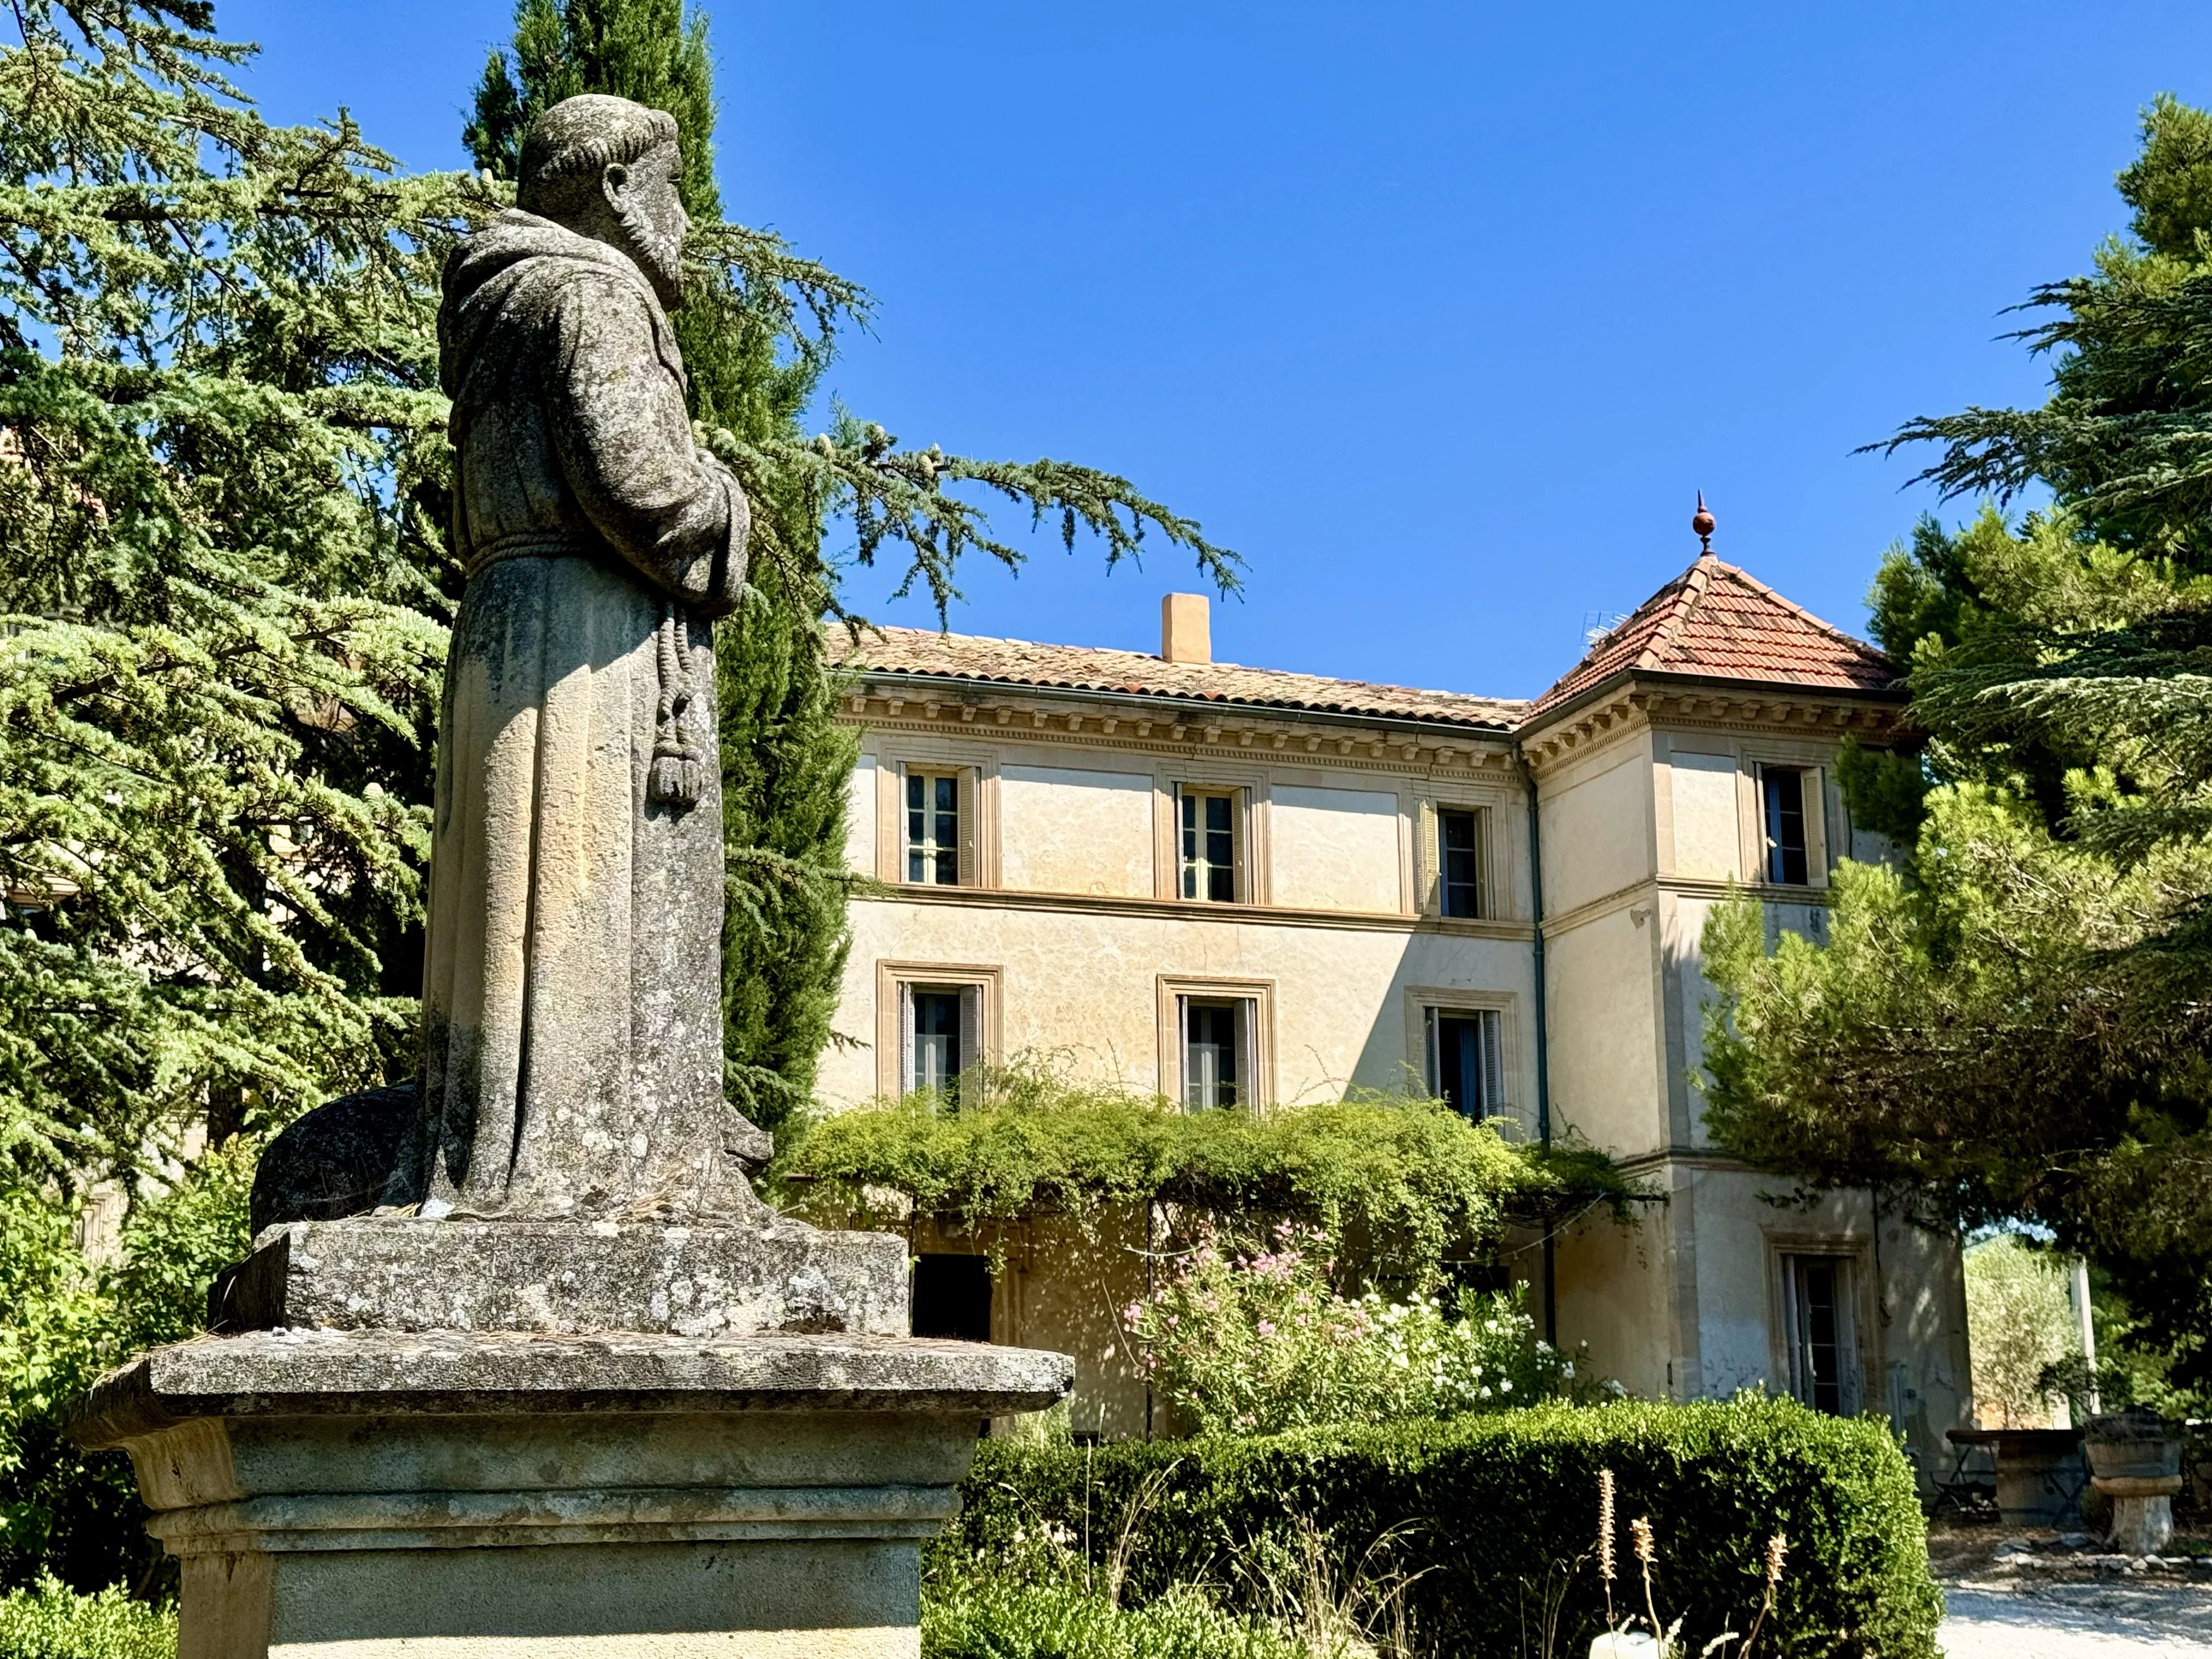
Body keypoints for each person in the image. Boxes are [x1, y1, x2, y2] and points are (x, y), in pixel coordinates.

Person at [398, 93, 761, 1220]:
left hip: (508, 619)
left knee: (513, 901)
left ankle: (496, 1143)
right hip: (588, 638)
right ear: (613, 188)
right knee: (586, 897)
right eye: (672, 189)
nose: (686, 220)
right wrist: (729, 506)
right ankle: (580, 1159)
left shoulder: (501, 299)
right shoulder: (593, 291)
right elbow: (642, 484)